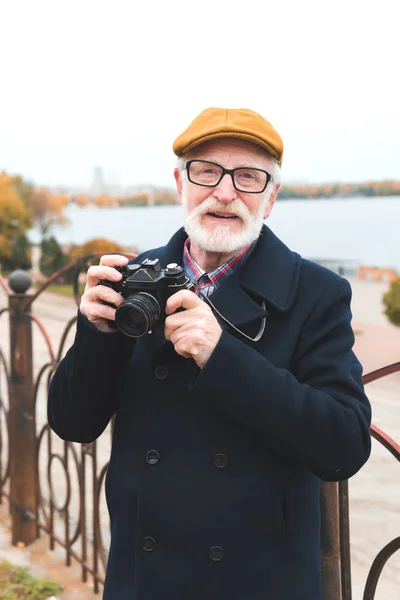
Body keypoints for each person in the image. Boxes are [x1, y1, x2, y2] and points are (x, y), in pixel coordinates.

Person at [48, 107, 372, 600]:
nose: (225, 192)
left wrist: (222, 358)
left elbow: (344, 444)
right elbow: (72, 423)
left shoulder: (316, 294)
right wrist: (96, 335)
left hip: (261, 584)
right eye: (206, 171)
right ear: (181, 183)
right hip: (142, 581)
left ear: (272, 197)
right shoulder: (133, 279)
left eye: (248, 177)